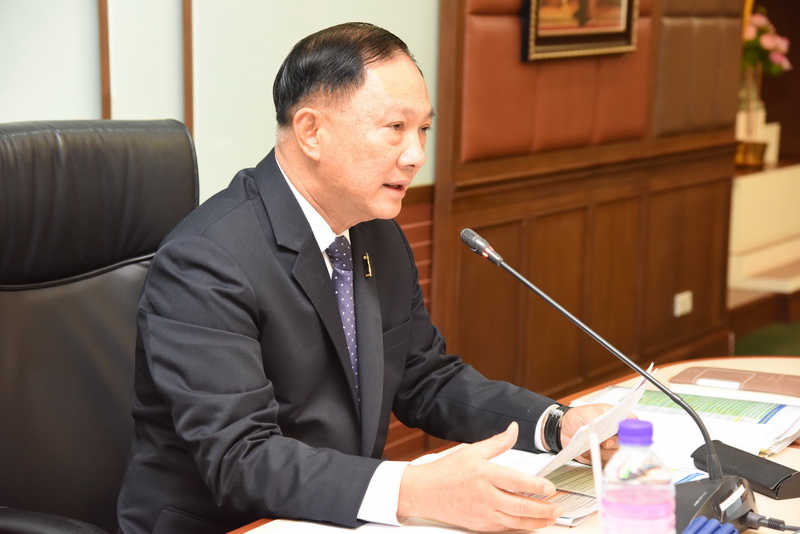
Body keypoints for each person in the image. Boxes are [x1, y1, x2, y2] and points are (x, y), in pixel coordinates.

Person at [116, 22, 618, 534]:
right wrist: (412, 490)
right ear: (311, 132)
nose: (416, 155)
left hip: (335, 517)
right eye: (395, 127)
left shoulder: (374, 232)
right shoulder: (206, 259)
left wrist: (555, 424)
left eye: (423, 129)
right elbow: (241, 458)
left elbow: (425, 377)